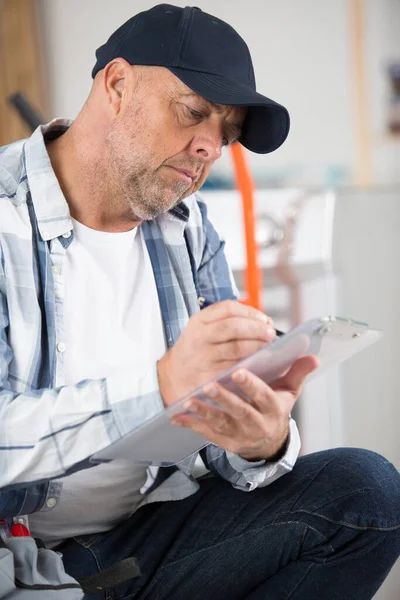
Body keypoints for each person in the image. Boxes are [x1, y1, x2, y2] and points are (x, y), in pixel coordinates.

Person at [0, 4, 399, 599]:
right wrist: (161, 384)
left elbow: (220, 441)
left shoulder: (186, 231)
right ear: (117, 84)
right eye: (194, 114)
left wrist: (262, 441)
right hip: (22, 557)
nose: (210, 147)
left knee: (366, 494)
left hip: (144, 535)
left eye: (227, 133)